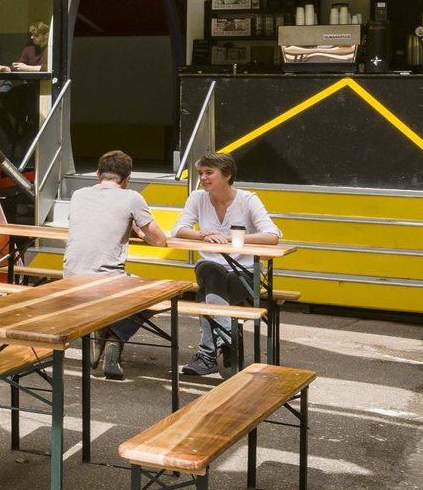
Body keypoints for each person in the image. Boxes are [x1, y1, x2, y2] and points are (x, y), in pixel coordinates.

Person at [61, 149, 170, 379]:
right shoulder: (132, 198)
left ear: (97, 173)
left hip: (70, 278)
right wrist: (139, 230)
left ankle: (103, 332)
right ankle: (115, 335)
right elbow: (160, 240)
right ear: (128, 178)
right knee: (161, 296)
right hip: (106, 282)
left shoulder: (79, 195)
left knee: (125, 290)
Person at [173, 149, 280, 378]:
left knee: (206, 297)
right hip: (210, 269)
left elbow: (272, 235)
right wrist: (202, 235)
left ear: (227, 174)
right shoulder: (197, 198)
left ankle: (207, 356)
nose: (203, 178)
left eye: (209, 173)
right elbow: (178, 229)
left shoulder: (248, 200)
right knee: (211, 271)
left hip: (244, 273)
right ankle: (229, 340)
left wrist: (231, 238)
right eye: (201, 173)